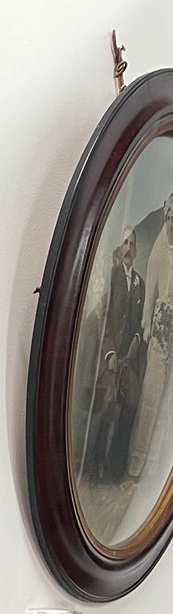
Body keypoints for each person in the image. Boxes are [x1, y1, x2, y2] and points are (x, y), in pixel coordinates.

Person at [86, 227, 146, 482]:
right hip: (108, 357)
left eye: (132, 244)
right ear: (120, 249)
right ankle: (94, 467)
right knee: (107, 405)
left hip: (128, 358)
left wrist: (134, 342)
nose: (129, 248)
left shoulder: (139, 283)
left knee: (132, 402)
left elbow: (138, 323)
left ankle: (115, 469)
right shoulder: (111, 277)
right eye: (125, 243)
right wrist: (110, 352)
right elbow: (104, 320)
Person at [129, 195, 173, 482]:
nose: (171, 224)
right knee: (151, 395)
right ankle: (136, 466)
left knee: (167, 400)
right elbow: (150, 299)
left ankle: (157, 469)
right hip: (159, 333)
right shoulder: (158, 254)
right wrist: (148, 327)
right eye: (169, 218)